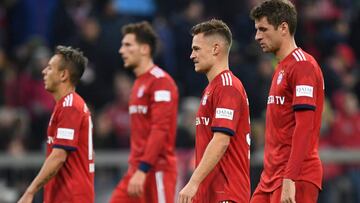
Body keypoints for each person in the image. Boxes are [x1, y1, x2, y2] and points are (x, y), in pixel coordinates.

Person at [249, 1, 325, 203]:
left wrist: (290, 178)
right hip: (270, 177)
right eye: (257, 30)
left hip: (296, 175)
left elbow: (305, 126)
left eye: (263, 29)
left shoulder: (302, 66)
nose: (257, 36)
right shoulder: (282, 67)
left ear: (283, 27)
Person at [178, 19, 251, 203]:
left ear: (215, 48)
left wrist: (193, 182)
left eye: (196, 49)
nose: (191, 55)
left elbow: (221, 141)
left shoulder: (227, 86)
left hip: (226, 194)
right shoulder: (212, 89)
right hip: (211, 195)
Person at [109, 21, 179, 203]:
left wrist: (143, 169)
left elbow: (160, 129)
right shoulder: (138, 84)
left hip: (156, 170)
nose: (121, 51)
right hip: (137, 169)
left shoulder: (161, 82)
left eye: (127, 45)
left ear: (145, 49)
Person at [18, 45, 95, 203]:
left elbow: (59, 155)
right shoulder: (65, 105)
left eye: (50, 67)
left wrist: (30, 191)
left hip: (71, 196)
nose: (44, 72)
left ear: (63, 75)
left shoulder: (70, 106)